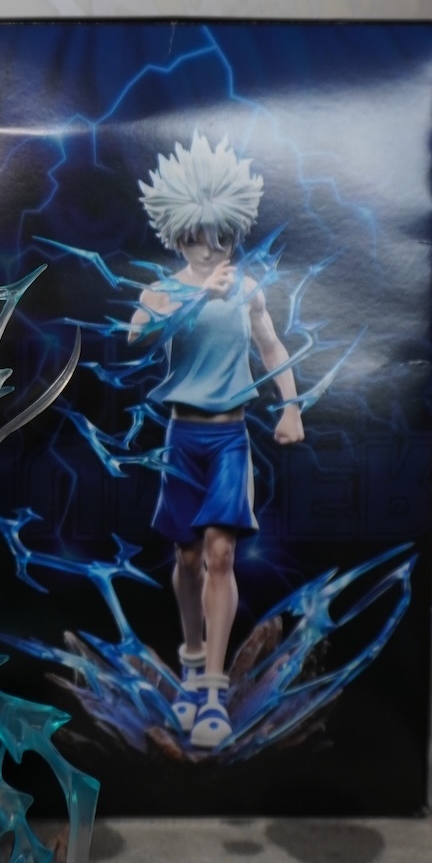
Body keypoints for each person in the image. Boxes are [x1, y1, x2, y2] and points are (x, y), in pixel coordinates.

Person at [132, 131, 305, 748]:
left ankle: (212, 686)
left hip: (230, 437)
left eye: (221, 237)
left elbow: (272, 348)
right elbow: (136, 335)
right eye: (196, 238)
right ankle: (190, 660)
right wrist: (191, 301)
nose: (209, 249)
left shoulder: (248, 291)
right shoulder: (163, 290)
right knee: (185, 558)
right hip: (182, 438)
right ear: (178, 234)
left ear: (234, 232)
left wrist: (290, 407)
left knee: (221, 555)